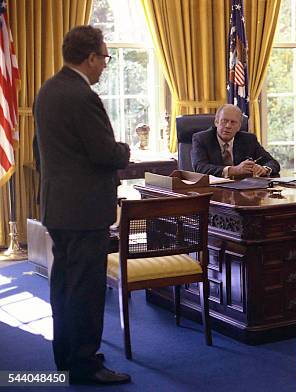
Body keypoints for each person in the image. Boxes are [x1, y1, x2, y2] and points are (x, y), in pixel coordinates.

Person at [34, 25, 131, 385]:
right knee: (86, 291)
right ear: (90, 57)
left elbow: (39, 153)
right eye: (104, 57)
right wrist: (125, 150)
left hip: (59, 207)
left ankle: (66, 358)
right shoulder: (82, 95)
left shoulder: (47, 91)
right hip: (84, 211)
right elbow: (105, 152)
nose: (105, 65)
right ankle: (85, 365)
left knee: (64, 287)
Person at [191, 104, 280, 177]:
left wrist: (264, 169)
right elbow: (200, 167)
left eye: (233, 122)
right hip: (213, 190)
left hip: (242, 191)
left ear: (239, 126)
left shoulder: (249, 139)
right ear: (216, 122)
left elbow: (272, 162)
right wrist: (234, 170)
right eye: (224, 121)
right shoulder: (201, 139)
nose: (228, 126)